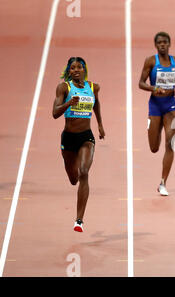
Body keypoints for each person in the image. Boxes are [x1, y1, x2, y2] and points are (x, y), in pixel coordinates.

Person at [52, 57, 105, 232]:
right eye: (72, 68)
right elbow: (54, 113)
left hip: (86, 137)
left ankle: (79, 220)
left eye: (79, 67)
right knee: (73, 179)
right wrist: (69, 102)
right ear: (69, 71)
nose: (76, 70)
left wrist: (99, 124)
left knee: (84, 173)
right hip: (68, 138)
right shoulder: (64, 88)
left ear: (84, 70)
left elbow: (96, 103)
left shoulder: (92, 87)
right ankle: (69, 163)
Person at [138, 32, 175, 196]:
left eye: (165, 42)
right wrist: (153, 88)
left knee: (170, 142)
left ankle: (163, 182)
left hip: (170, 105)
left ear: (169, 44)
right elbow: (141, 83)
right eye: (159, 42)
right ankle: (154, 129)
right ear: (156, 45)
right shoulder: (151, 61)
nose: (162, 45)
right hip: (155, 106)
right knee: (154, 148)